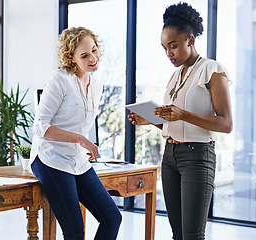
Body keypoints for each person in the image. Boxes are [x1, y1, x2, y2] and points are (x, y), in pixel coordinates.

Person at [128, 2, 232, 240]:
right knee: (177, 234)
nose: (169, 54)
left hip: (198, 157)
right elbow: (174, 123)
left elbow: (226, 124)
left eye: (173, 46)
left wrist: (183, 114)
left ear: (191, 40)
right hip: (170, 156)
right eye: (165, 48)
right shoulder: (175, 76)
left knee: (192, 235)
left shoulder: (212, 70)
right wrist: (150, 121)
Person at [28, 26, 122, 240]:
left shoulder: (95, 86)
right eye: (84, 55)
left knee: (112, 218)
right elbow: (40, 128)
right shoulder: (59, 81)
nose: (93, 58)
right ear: (71, 57)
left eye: (95, 50)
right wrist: (81, 140)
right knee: (74, 231)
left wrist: (83, 144)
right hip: (50, 158)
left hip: (77, 160)